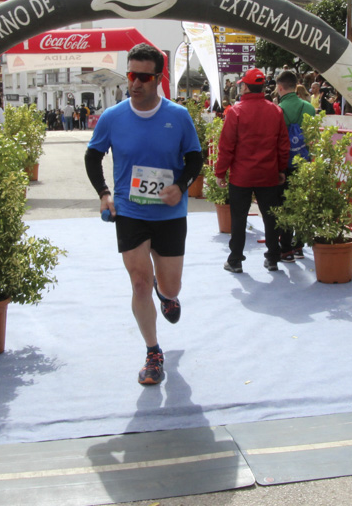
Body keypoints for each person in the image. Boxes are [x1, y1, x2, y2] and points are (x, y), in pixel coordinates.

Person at [84, 43, 203, 386]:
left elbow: (195, 158)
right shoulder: (112, 117)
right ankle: (153, 351)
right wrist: (104, 194)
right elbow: (93, 157)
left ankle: (165, 294)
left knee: (170, 283)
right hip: (130, 211)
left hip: (169, 214)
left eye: (143, 77)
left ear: (159, 78)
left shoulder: (178, 117)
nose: (134, 83)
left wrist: (181, 185)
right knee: (138, 282)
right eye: (130, 75)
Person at [216, 68, 290, 274]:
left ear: (246, 86)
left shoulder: (236, 111)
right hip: (268, 174)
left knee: (238, 218)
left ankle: (235, 259)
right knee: (270, 217)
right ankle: (273, 257)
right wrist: (281, 168)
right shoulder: (276, 110)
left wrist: (220, 172)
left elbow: (226, 146)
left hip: (241, 175)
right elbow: (283, 145)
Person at [274, 70, 314, 259]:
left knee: (285, 204)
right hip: (305, 161)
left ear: (280, 87)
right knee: (302, 204)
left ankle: (286, 249)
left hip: (285, 163)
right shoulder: (309, 107)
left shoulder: (277, 109)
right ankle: (299, 246)